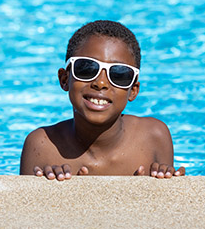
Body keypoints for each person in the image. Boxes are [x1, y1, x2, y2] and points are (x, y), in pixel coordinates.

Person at [20, 20, 184, 180]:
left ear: (133, 91)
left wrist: (164, 182)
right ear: (64, 79)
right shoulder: (42, 146)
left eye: (119, 74)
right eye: (86, 68)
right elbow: (25, 206)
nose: (101, 83)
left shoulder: (154, 137)